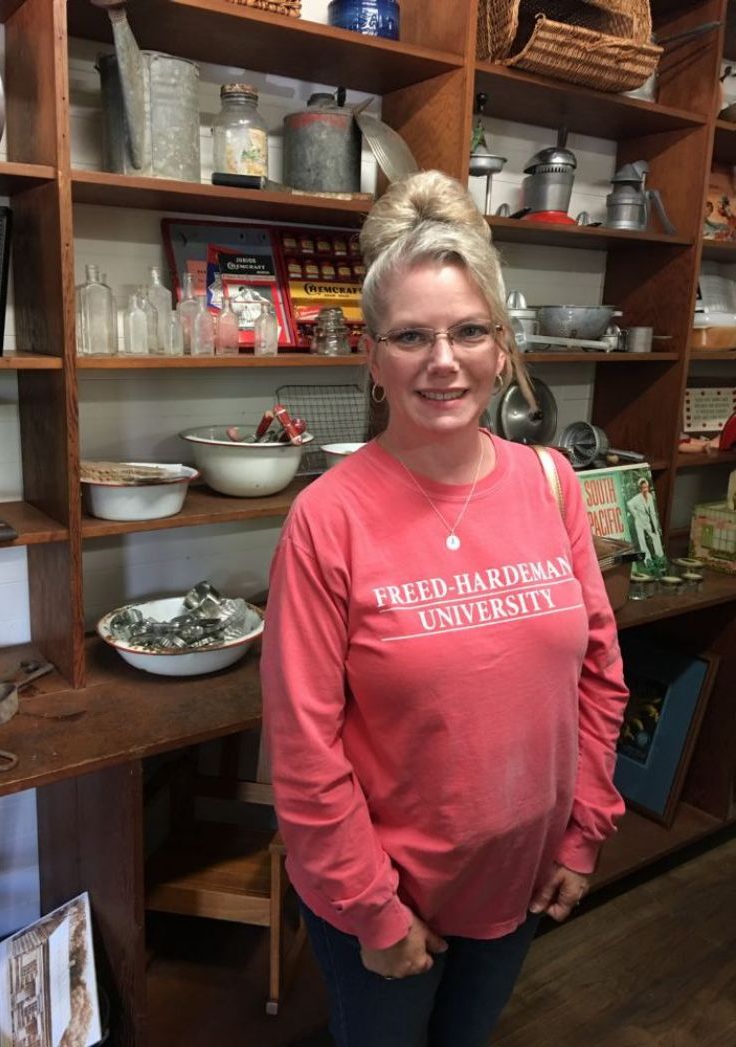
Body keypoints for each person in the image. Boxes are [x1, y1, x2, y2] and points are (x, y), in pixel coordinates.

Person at [260, 170, 630, 1047]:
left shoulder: (550, 482)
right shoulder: (328, 516)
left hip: (519, 875)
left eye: (468, 331)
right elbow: (304, 746)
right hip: (387, 895)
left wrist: (582, 832)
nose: (442, 360)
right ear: (372, 355)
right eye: (410, 335)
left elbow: (600, 676)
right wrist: (371, 909)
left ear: (501, 347)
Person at [627, 477, 664, 566]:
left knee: (655, 536)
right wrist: (636, 515)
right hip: (639, 522)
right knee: (642, 541)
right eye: (643, 488)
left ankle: (660, 556)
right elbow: (629, 504)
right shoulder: (637, 498)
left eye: (646, 487)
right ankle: (648, 560)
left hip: (647, 521)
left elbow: (652, 511)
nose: (645, 489)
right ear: (640, 489)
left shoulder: (650, 496)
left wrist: (655, 524)